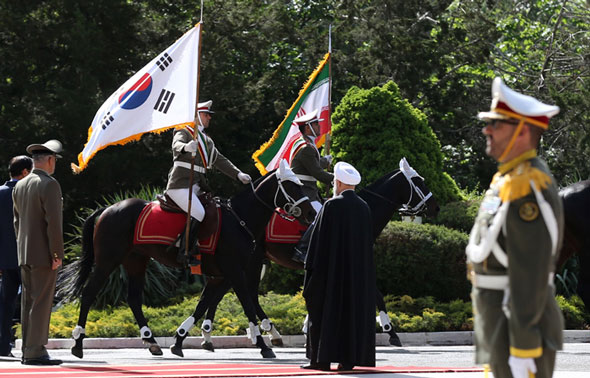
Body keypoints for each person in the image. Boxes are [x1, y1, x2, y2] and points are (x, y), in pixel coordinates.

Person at [466, 77, 564, 378]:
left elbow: (531, 273)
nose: (487, 130)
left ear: (522, 131)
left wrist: (524, 347)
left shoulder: (527, 186)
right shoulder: (506, 180)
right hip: (497, 320)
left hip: (517, 328)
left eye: (496, 124)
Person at [301, 161, 376, 371]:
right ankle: (348, 360)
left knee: (324, 312)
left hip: (331, 275)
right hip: (356, 277)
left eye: (334, 180)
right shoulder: (364, 207)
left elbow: (318, 242)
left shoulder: (331, 205)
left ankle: (320, 360)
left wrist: (311, 269)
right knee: (351, 315)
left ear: (339, 182)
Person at [165, 100, 251, 266]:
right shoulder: (184, 130)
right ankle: (184, 251)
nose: (209, 118)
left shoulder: (206, 141)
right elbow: (176, 145)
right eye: (206, 115)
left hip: (197, 187)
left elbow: (220, 160)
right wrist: (185, 147)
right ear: (197, 116)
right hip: (180, 185)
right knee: (198, 212)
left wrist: (238, 174)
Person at [12, 140, 64, 365]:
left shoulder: (21, 185)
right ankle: (36, 351)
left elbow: (17, 223)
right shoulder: (49, 184)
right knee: (41, 303)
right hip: (43, 254)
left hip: (24, 252)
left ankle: (27, 350)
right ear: (50, 161)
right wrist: (56, 254)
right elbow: (53, 223)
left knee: (28, 303)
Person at [290, 109, 334, 262]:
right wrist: (339, 180)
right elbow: (318, 174)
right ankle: (301, 249)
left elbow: (311, 164)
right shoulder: (307, 147)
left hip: (307, 189)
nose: (319, 127)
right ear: (307, 128)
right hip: (304, 191)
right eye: (316, 124)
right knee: (322, 217)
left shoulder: (305, 143)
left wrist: (324, 160)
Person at [0, 156, 32, 357]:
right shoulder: (28, 193)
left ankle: (3, 346)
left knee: (5, 303)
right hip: (28, 258)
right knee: (31, 304)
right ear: (26, 173)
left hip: (4, 259)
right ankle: (31, 347)